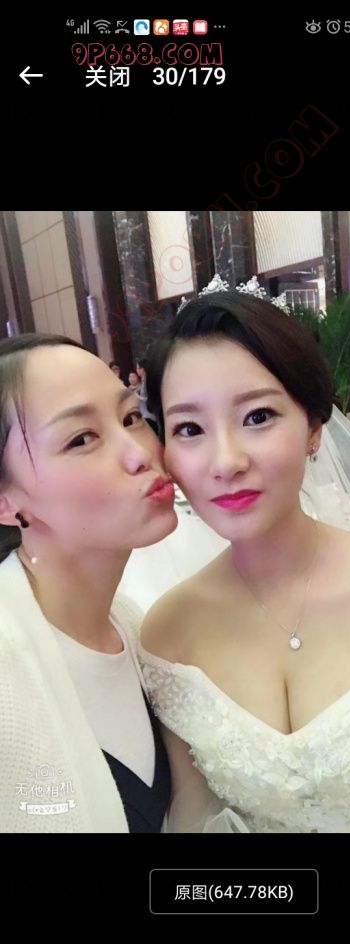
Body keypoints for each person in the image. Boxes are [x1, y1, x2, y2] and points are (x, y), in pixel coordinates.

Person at [139, 290, 350, 834]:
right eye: (190, 429)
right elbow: (195, 816)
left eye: (258, 416)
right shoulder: (167, 633)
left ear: (314, 429)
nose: (226, 462)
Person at [0, 334, 179, 833]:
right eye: (81, 439)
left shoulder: (133, 628)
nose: (139, 453)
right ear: (6, 502)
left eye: (131, 418)